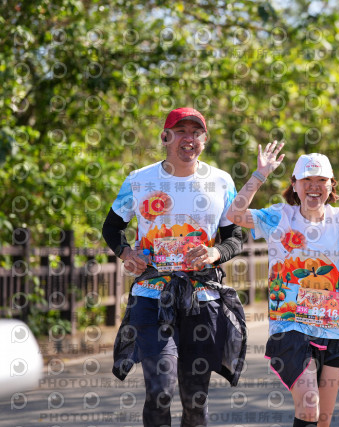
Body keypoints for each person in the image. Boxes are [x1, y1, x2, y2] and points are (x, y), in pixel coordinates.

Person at [226, 143, 339, 427]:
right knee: (309, 405)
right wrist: (260, 175)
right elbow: (234, 215)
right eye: (306, 180)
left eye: (321, 180)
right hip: (291, 326)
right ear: (294, 185)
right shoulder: (279, 217)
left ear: (331, 185)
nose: (313, 186)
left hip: (336, 329)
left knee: (323, 418)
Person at [102, 107, 247, 427]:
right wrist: (126, 253)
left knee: (196, 402)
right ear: (165, 137)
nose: (189, 139)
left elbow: (235, 237)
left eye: (196, 133)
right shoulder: (139, 180)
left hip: (203, 300)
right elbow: (112, 227)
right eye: (181, 131)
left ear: (205, 140)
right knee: (160, 392)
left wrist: (215, 252)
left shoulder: (221, 181)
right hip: (152, 296)